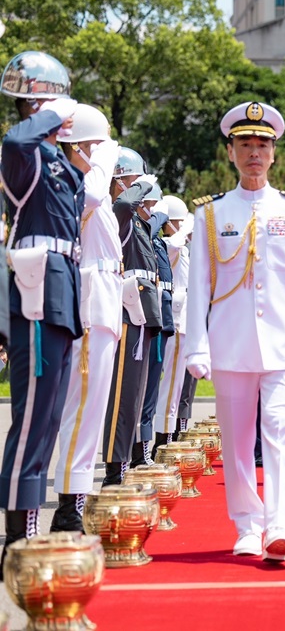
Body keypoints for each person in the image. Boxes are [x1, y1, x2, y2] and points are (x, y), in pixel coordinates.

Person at [183, 101, 285, 563]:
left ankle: (278, 527)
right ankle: (247, 525)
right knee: (236, 440)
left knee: (282, 434)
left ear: (274, 154)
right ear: (230, 152)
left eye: (262, 145)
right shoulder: (210, 214)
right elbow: (198, 288)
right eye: (245, 145)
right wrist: (196, 346)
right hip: (230, 347)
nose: (254, 153)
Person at [0, 52, 84, 562]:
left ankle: (26, 528)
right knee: (32, 417)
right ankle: (17, 538)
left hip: (61, 291)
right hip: (38, 289)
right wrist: (53, 113)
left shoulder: (54, 159)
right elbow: (14, 140)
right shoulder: (24, 150)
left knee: (48, 417)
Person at [51, 104, 121, 533]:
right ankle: (66, 506)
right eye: (94, 148)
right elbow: (92, 194)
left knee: (91, 410)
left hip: (105, 301)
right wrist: (102, 153)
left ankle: (73, 498)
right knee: (81, 410)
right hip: (91, 303)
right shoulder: (77, 185)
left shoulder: (90, 186)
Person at [100, 149, 161, 487]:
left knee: (135, 396)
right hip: (127, 309)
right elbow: (123, 205)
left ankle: (123, 465)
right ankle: (114, 472)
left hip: (143, 312)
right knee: (123, 395)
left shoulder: (137, 220)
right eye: (134, 183)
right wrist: (143, 182)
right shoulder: (117, 214)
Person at [133, 177, 174, 468]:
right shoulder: (140, 229)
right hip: (143, 314)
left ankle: (142, 449)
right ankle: (136, 451)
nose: (152, 210)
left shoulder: (154, 238)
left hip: (160, 315)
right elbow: (157, 219)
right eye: (147, 205)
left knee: (151, 389)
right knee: (141, 390)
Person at [152, 196, 193, 451]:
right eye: (179, 222)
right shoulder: (167, 244)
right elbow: (174, 245)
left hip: (185, 321)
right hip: (175, 322)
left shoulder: (182, 247)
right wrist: (184, 228)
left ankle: (168, 435)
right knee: (169, 386)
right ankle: (162, 440)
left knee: (177, 385)